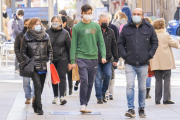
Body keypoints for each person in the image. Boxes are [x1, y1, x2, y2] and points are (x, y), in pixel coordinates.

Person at [119, 8, 158, 117]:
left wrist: (149, 55)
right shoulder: (126, 28)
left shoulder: (149, 28)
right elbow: (120, 43)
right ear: (132, 15)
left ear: (142, 15)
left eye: (138, 14)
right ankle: (131, 108)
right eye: (134, 14)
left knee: (142, 88)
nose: (136, 16)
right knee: (130, 86)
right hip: (130, 62)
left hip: (143, 62)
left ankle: (141, 108)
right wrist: (125, 55)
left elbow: (155, 42)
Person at [70, 4, 106, 113]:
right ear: (82, 13)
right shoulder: (77, 27)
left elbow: (101, 42)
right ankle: (82, 104)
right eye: (86, 13)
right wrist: (72, 61)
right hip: (81, 57)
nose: (87, 15)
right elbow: (73, 45)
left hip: (93, 58)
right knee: (84, 80)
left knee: (90, 83)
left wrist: (103, 56)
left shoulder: (96, 26)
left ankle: (86, 103)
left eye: (89, 13)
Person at [21, 18, 53, 115]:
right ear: (31, 26)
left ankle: (35, 102)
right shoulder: (26, 37)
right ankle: (39, 106)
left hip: (44, 65)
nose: (38, 25)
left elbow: (50, 50)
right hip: (33, 65)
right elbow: (23, 52)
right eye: (35, 24)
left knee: (41, 86)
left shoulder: (46, 35)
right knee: (37, 85)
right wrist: (30, 61)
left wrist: (49, 60)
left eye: (39, 24)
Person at [150, 18, 180, 105]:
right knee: (167, 79)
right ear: (163, 26)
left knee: (158, 79)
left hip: (156, 61)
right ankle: (166, 99)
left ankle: (157, 99)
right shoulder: (165, 35)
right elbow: (175, 45)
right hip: (166, 61)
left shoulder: (152, 35)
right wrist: (177, 42)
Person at [46, 16, 71, 105]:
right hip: (51, 58)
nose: (54, 22)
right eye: (53, 21)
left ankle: (62, 96)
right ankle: (55, 96)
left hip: (62, 58)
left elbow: (69, 48)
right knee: (54, 77)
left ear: (60, 23)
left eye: (56, 21)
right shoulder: (47, 32)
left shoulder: (65, 33)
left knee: (62, 76)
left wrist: (70, 61)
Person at [95, 13, 118, 104]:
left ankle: (104, 93)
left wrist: (116, 59)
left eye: (106, 21)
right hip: (96, 58)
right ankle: (99, 97)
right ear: (99, 21)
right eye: (103, 21)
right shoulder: (95, 31)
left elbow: (114, 46)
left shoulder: (111, 32)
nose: (105, 23)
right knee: (97, 79)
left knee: (108, 75)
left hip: (108, 59)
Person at [14, 18, 35, 104]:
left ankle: (34, 96)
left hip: (34, 60)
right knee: (26, 81)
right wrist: (20, 60)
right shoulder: (20, 35)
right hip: (24, 62)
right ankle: (28, 97)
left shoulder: (35, 35)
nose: (27, 26)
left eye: (28, 24)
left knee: (36, 80)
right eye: (25, 24)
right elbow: (16, 49)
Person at [105, 12, 120, 100]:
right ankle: (106, 92)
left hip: (111, 55)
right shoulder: (99, 28)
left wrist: (117, 57)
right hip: (102, 56)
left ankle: (111, 92)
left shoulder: (114, 28)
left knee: (111, 74)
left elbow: (117, 42)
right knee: (104, 75)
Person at [61, 16, 73, 95]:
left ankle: (70, 88)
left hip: (69, 52)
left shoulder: (70, 30)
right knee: (63, 74)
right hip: (62, 55)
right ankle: (65, 90)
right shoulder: (58, 31)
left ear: (64, 23)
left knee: (69, 73)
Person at [144, 17, 153, 99]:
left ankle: (144, 90)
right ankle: (147, 91)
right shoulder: (152, 30)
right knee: (148, 74)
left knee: (143, 73)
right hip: (150, 55)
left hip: (141, 55)